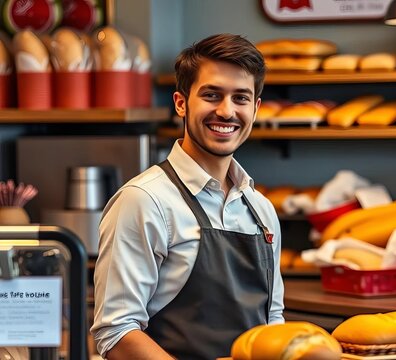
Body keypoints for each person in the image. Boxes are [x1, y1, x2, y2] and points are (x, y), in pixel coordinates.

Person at [91, 33, 284, 360]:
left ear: (256, 107)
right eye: (212, 95)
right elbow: (117, 331)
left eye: (241, 98)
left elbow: (272, 320)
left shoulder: (261, 210)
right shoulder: (144, 201)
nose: (226, 112)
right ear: (181, 102)